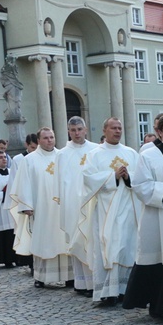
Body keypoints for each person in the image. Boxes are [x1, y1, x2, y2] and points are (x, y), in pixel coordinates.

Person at [123, 113, 163, 319]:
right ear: (159, 132)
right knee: (160, 259)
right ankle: (158, 305)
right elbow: (140, 185)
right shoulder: (148, 155)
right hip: (158, 215)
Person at [78, 117, 142, 305]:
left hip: (129, 209)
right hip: (106, 210)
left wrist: (128, 177)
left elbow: (140, 178)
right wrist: (112, 176)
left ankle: (125, 290)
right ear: (105, 130)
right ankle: (108, 291)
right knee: (108, 247)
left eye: (120, 128)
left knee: (127, 247)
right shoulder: (94, 154)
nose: (117, 131)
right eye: (113, 128)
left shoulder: (131, 153)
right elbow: (88, 178)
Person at [10, 127, 72, 288]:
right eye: (45, 138)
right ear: (38, 140)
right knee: (43, 240)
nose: (49, 140)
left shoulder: (63, 156)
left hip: (61, 207)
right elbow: (24, 184)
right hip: (41, 208)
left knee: (63, 239)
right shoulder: (30, 159)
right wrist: (26, 205)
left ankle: (69, 276)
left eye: (51, 137)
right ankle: (41, 276)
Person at [57, 116, 98, 296]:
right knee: (77, 239)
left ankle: (95, 282)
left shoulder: (96, 150)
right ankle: (81, 283)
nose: (76, 133)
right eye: (73, 130)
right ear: (68, 131)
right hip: (72, 203)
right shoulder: (62, 154)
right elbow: (59, 181)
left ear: (86, 129)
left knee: (92, 239)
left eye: (79, 129)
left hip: (92, 202)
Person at [9, 133, 37, 269]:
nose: (34, 150)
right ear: (27, 145)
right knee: (27, 233)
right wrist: (23, 202)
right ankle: (30, 263)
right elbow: (15, 181)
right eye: (32, 147)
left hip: (41, 199)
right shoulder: (19, 159)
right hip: (26, 201)